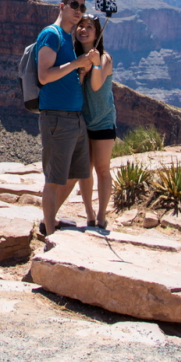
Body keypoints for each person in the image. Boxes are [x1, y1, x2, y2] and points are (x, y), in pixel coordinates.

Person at [35, 0, 94, 236]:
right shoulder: (51, 35)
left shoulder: (67, 38)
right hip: (57, 117)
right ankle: (49, 234)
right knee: (53, 178)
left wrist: (79, 72)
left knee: (76, 172)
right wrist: (77, 63)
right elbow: (44, 75)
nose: (78, 10)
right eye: (74, 4)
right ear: (61, 6)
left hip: (74, 117)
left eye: (82, 7)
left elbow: (63, 72)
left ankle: (51, 220)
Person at [73, 15, 116, 231]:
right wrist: (82, 73)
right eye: (80, 25)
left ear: (97, 32)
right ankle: (89, 214)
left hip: (103, 122)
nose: (84, 29)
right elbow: (76, 90)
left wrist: (95, 65)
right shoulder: (75, 57)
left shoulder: (105, 58)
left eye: (89, 27)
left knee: (102, 169)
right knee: (84, 170)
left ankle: (101, 216)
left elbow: (97, 86)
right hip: (83, 121)